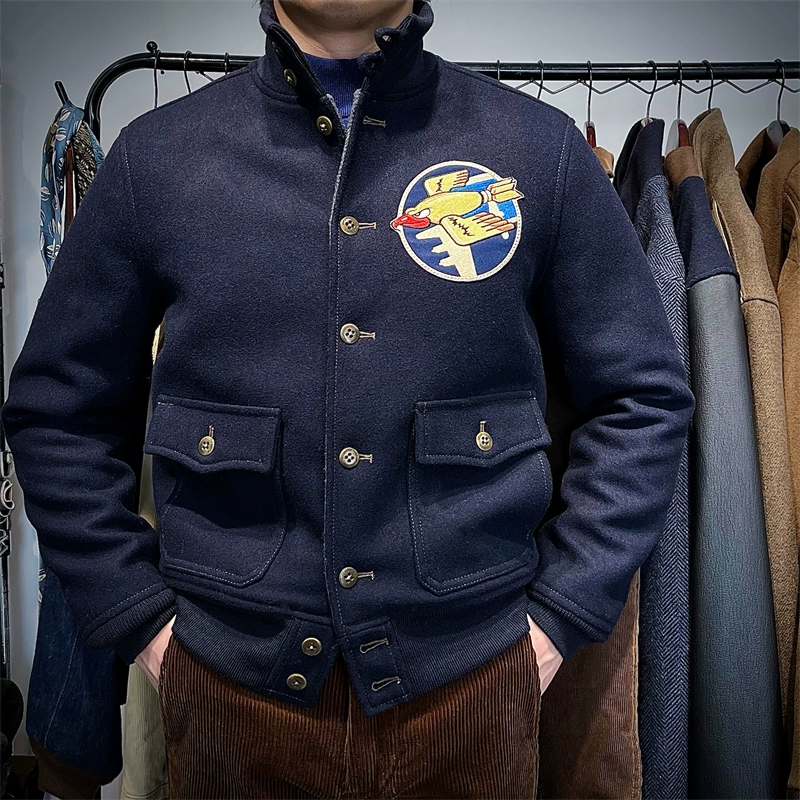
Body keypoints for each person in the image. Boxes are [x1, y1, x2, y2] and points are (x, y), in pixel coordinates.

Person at [0, 0, 694, 797]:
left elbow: (643, 397)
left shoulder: (539, 153)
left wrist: (560, 614)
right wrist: (139, 619)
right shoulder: (154, 160)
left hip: (475, 692)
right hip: (230, 696)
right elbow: (57, 412)